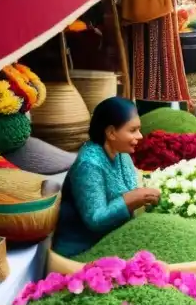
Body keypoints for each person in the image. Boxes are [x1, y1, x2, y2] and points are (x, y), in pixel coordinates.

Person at [52, 97, 160, 257]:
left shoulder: (121, 153)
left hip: (116, 237)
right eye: (132, 130)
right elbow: (95, 219)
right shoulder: (89, 164)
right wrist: (129, 200)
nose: (140, 136)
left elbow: (133, 187)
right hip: (84, 249)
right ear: (111, 133)